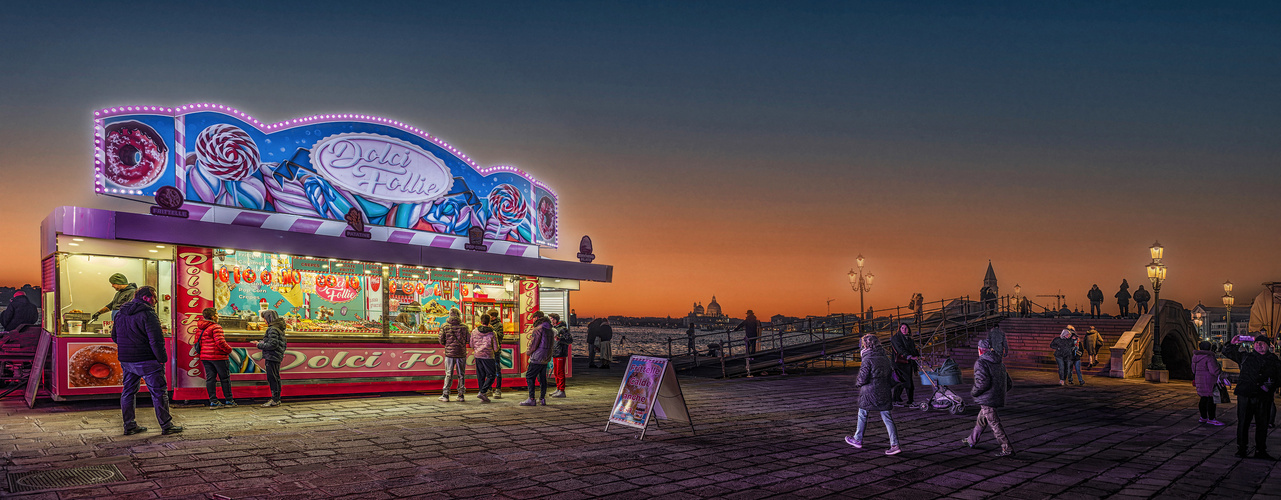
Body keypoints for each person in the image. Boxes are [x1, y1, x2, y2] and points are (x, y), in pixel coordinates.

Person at [113, 286, 182, 435]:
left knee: (128, 392)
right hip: (147, 360)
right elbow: (156, 340)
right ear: (145, 298)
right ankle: (166, 425)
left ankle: (129, 425)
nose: (156, 301)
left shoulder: (120, 313)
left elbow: (114, 336)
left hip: (127, 360)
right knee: (159, 392)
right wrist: (161, 359)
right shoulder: (148, 314)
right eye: (154, 297)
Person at [1224, 334, 1281, 459]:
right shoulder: (1246, 357)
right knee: (1243, 422)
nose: (1259, 345)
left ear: (1268, 346)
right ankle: (1242, 448)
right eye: (1256, 343)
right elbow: (1228, 352)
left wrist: (1270, 386)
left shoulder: (1273, 360)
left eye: (1262, 343)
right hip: (1246, 395)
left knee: (1262, 424)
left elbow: (1279, 377)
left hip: (1263, 396)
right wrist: (1232, 343)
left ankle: (1261, 450)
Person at [845, 334, 900, 455]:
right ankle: (895, 444)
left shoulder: (867, 357)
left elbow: (863, 376)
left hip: (870, 391)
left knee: (862, 414)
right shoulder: (884, 357)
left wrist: (858, 383)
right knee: (887, 417)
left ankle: (858, 439)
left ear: (866, 345)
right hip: (884, 390)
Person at [963, 339, 1014, 456]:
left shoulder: (981, 362)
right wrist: (998, 392)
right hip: (996, 397)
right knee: (982, 419)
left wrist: (974, 392)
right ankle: (972, 440)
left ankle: (1007, 448)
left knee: (994, 423)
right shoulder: (999, 363)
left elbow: (982, 382)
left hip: (987, 398)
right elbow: (1008, 383)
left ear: (980, 350)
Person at [196, 308, 235, 409]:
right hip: (219, 357)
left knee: (210, 379)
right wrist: (229, 350)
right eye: (217, 314)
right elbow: (220, 342)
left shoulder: (200, 327)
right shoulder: (216, 327)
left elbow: (197, 342)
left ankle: (213, 401)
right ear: (213, 316)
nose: (218, 316)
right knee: (225, 378)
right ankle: (229, 400)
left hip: (205, 357)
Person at [520, 312, 554, 406]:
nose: (533, 320)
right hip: (546, 357)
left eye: (533, 318)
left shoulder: (538, 329)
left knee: (530, 376)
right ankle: (542, 398)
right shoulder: (550, 329)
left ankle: (531, 398)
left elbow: (534, 344)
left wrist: (528, 352)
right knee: (542, 378)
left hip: (537, 356)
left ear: (537, 318)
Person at [256, 310, 287, 407]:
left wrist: (259, 345)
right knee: (275, 377)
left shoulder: (272, 329)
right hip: (276, 355)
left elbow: (272, 344)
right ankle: (276, 399)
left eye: (265, 318)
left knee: (272, 377)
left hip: (272, 356)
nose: (264, 321)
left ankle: (275, 399)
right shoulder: (279, 328)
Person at [438, 308, 470, 402]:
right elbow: (468, 339)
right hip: (461, 353)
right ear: (459, 315)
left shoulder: (445, 326)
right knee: (461, 374)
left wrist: (448, 345)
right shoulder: (464, 326)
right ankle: (460, 395)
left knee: (448, 374)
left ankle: (446, 394)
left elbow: (441, 340)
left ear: (450, 314)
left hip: (450, 354)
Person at [1192, 341, 1227, 426]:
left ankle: (1203, 417)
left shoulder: (1195, 357)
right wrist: (1222, 374)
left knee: (1203, 398)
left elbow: (1193, 370)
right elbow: (1214, 370)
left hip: (1199, 379)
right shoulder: (1209, 357)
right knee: (1211, 399)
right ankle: (1211, 418)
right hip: (1209, 381)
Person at [470, 314, 499, 403]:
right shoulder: (492, 333)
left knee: (481, 375)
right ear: (489, 322)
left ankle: (482, 393)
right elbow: (495, 348)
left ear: (481, 321)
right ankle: (483, 392)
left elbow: (471, 345)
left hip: (478, 355)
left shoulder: (474, 331)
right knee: (491, 375)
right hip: (488, 356)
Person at [889, 323, 919, 407]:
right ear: (899, 329)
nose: (904, 330)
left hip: (907, 363)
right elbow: (900, 349)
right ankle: (910, 401)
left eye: (906, 328)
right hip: (899, 363)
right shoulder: (896, 338)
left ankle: (896, 399)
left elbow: (913, 349)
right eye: (902, 328)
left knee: (901, 381)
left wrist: (918, 356)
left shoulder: (909, 339)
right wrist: (909, 356)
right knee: (907, 381)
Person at [549, 313, 572, 398]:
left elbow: (570, 340)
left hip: (561, 352)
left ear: (555, 319)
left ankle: (562, 390)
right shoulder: (554, 329)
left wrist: (560, 339)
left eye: (551, 318)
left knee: (560, 372)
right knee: (556, 372)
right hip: (555, 352)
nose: (550, 320)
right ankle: (558, 388)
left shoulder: (563, 329)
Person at [486, 309, 505, 398]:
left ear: (493, 317)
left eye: (488, 315)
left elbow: (500, 336)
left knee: (497, 370)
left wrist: (492, 330)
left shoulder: (499, 325)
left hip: (496, 350)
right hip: (488, 350)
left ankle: (498, 389)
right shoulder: (486, 324)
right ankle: (489, 389)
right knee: (488, 371)